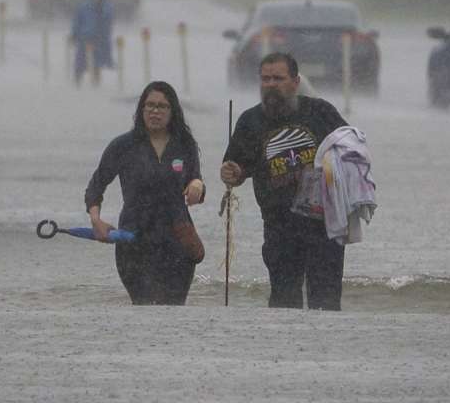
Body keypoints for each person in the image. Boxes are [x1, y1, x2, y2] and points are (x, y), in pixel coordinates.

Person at [221, 52, 349, 310]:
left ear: (295, 81)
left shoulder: (320, 111)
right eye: (265, 79)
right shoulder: (250, 121)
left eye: (278, 78)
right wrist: (231, 173)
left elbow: (352, 151)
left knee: (326, 303)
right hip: (279, 227)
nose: (270, 84)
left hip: (324, 227)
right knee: (283, 302)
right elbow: (236, 168)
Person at [85, 81, 205, 305]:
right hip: (134, 241)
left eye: (162, 106)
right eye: (149, 106)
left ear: (173, 112)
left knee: (173, 310)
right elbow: (96, 185)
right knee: (144, 308)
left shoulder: (185, 144)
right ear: (141, 110)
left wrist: (198, 186)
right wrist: (95, 220)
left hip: (178, 239)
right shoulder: (123, 146)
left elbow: (195, 179)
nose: (155, 111)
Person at [69, 0, 114, 86]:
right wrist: (74, 34)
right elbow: (77, 21)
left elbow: (107, 23)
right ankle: (77, 85)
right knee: (80, 64)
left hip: (99, 39)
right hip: (85, 38)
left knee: (97, 64)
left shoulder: (107, 7)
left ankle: (95, 86)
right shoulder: (84, 6)